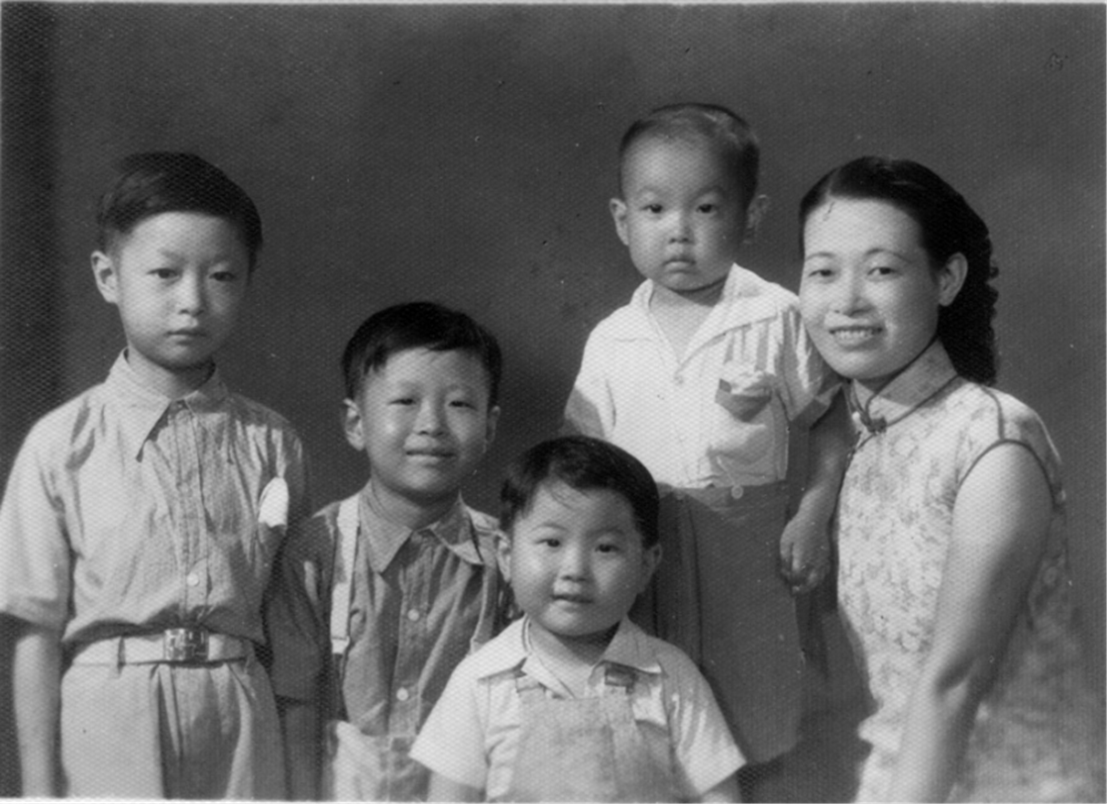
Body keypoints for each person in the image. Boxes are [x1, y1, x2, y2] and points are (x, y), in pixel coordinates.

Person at [0, 152, 310, 798]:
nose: (192, 301)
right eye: (165, 273)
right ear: (108, 276)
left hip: (240, 718)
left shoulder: (272, 444)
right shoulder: (61, 445)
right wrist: (36, 792)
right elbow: (35, 635)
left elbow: (292, 633)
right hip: (109, 717)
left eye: (221, 276)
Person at [798, 155, 1105, 803]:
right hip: (902, 778)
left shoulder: (992, 439)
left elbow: (953, 683)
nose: (847, 300)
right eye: (823, 271)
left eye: (881, 270)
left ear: (946, 278)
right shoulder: (859, 440)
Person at [563, 102, 849, 782]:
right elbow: (581, 462)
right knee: (646, 721)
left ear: (750, 217)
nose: (679, 231)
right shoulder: (612, 339)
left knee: (750, 717)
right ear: (622, 220)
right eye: (655, 209)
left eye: (706, 209)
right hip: (642, 554)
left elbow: (830, 421)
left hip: (745, 552)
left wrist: (814, 514)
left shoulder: (774, 315)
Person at [411, 435, 743, 803]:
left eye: (605, 548)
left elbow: (719, 797)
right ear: (506, 555)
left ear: (646, 565)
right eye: (552, 542)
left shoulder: (670, 677)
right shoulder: (480, 681)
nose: (575, 570)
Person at [267, 301, 507, 801]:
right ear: (356, 423)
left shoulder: (507, 562)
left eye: (459, 404)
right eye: (405, 401)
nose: (432, 423)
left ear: (488, 428)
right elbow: (297, 710)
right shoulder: (313, 553)